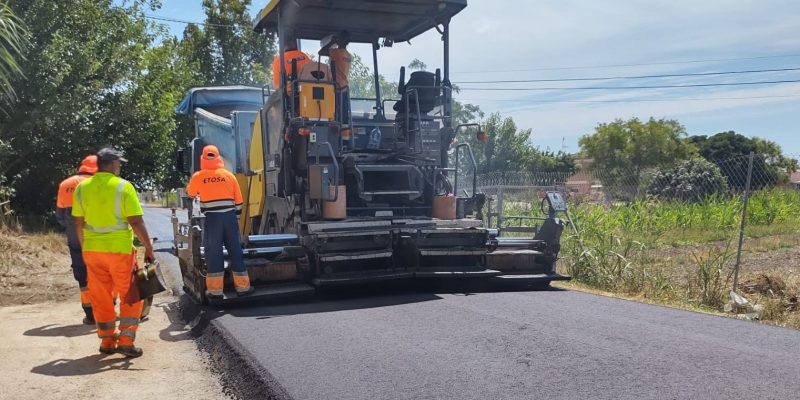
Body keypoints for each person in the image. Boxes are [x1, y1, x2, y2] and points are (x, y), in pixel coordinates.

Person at [72, 147, 155, 358]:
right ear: (111, 164)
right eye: (119, 163)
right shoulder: (123, 187)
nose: (120, 166)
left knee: (100, 297)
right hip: (119, 251)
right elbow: (136, 221)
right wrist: (149, 248)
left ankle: (107, 341)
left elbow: (78, 222)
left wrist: (85, 249)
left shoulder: (82, 188)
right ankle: (126, 341)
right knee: (131, 295)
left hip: (92, 251)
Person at [186, 145, 253, 299]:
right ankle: (243, 288)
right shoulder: (229, 176)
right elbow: (239, 201)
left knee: (214, 253)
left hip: (212, 219)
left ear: (203, 158)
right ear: (218, 157)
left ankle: (216, 292)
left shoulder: (199, 176)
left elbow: (190, 193)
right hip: (229, 217)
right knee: (235, 250)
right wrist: (235, 217)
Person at [56, 155, 97, 324]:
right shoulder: (99, 184)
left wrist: (71, 228)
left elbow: (59, 216)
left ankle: (89, 314)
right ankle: (107, 308)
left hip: (75, 240)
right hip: (98, 238)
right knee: (102, 274)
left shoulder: (66, 184)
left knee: (82, 275)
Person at [327, 31, 353, 136]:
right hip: (345, 86)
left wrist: (331, 42)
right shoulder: (349, 56)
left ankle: (334, 137)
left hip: (336, 87)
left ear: (340, 40)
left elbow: (321, 52)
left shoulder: (336, 53)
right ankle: (345, 139)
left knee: (334, 113)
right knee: (344, 115)